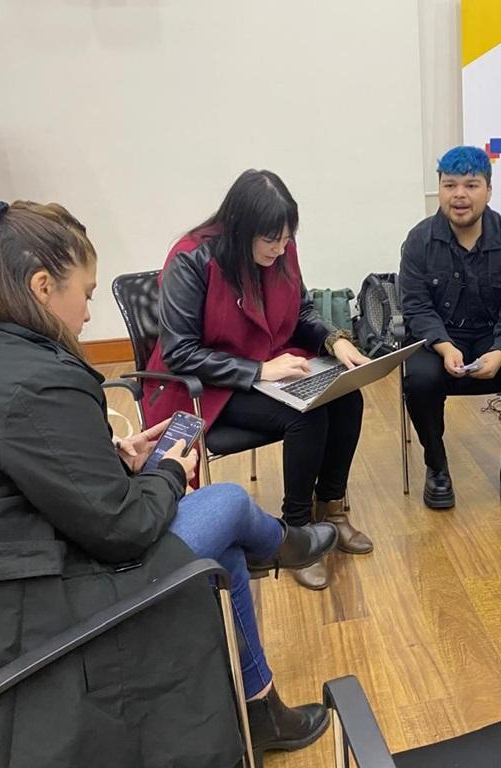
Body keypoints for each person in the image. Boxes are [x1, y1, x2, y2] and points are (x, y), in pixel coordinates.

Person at [0, 199, 339, 767]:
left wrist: (110, 460)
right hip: (37, 614)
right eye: (87, 294)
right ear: (43, 287)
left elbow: (10, 473)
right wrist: (168, 469)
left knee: (223, 542)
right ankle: (281, 547)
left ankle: (262, 703)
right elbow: (124, 530)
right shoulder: (42, 381)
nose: (88, 315)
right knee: (225, 504)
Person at [144, 170, 371, 591]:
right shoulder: (190, 259)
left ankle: (331, 508)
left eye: (287, 239)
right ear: (240, 228)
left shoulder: (282, 251)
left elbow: (301, 313)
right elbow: (179, 352)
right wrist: (257, 371)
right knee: (306, 414)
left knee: (346, 396)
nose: (281, 249)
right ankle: (296, 533)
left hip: (268, 366)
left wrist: (334, 340)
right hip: (205, 385)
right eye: (271, 240)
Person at [400, 146, 501, 509]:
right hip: (441, 337)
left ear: (489, 190)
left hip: (495, 334)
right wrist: (444, 346)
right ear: (440, 189)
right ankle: (436, 465)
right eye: (450, 185)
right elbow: (416, 306)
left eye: (471, 185)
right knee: (419, 379)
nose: (460, 195)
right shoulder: (419, 241)